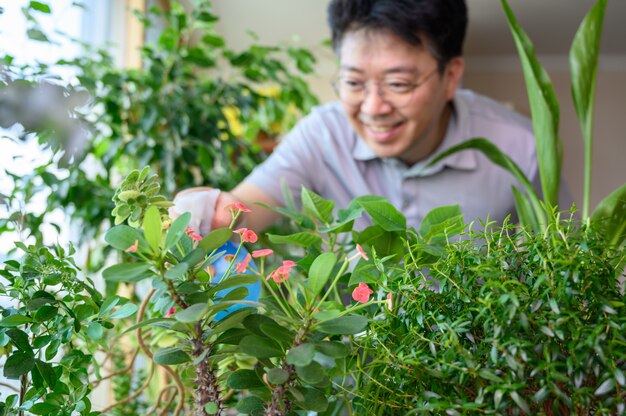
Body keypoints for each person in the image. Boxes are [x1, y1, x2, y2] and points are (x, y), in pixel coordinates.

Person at [174, 0, 550, 233]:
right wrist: (204, 213)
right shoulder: (322, 135)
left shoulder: (521, 149)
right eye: (354, 82)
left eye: (398, 84)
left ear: (450, 77)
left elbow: (563, 266)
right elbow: (244, 210)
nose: (373, 108)